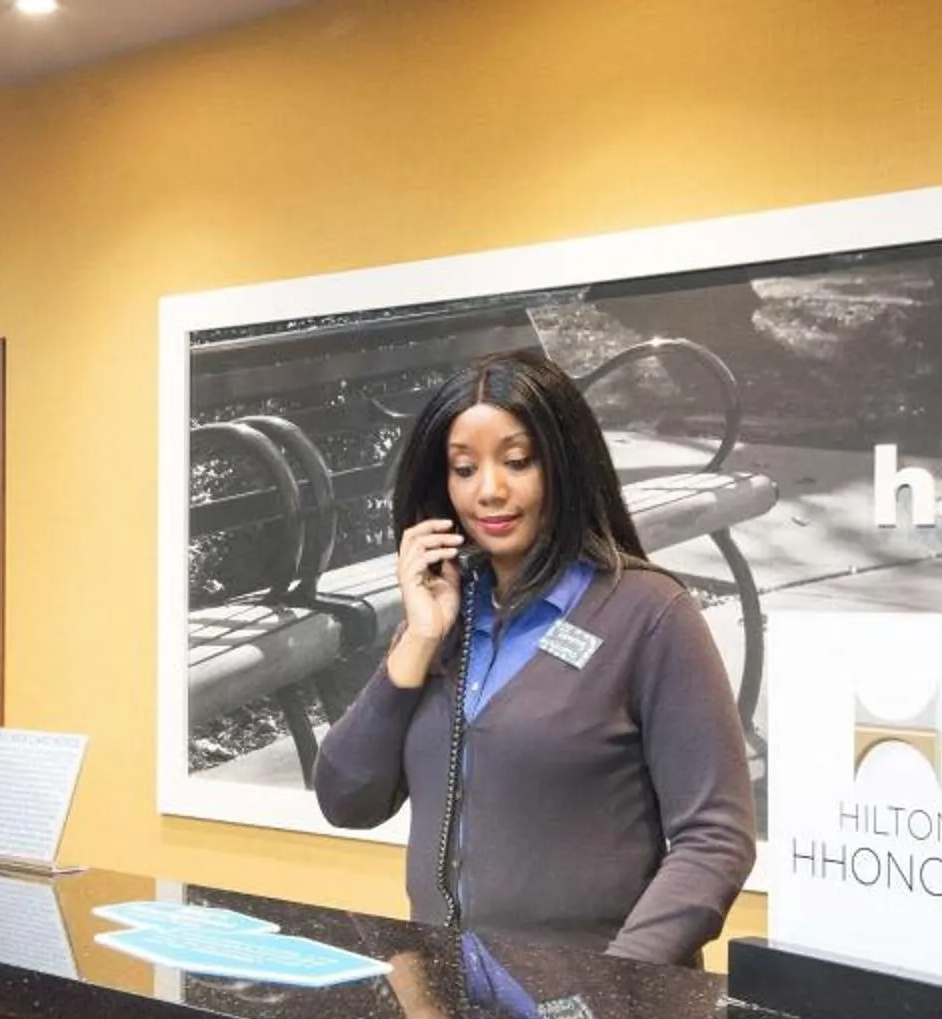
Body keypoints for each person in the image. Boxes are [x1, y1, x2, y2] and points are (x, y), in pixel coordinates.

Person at [312, 349, 757, 963]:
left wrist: (618, 992)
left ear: (563, 465)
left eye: (517, 462)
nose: (489, 491)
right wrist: (416, 641)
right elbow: (346, 799)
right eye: (463, 469)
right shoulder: (446, 617)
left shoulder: (650, 614)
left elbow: (716, 839)